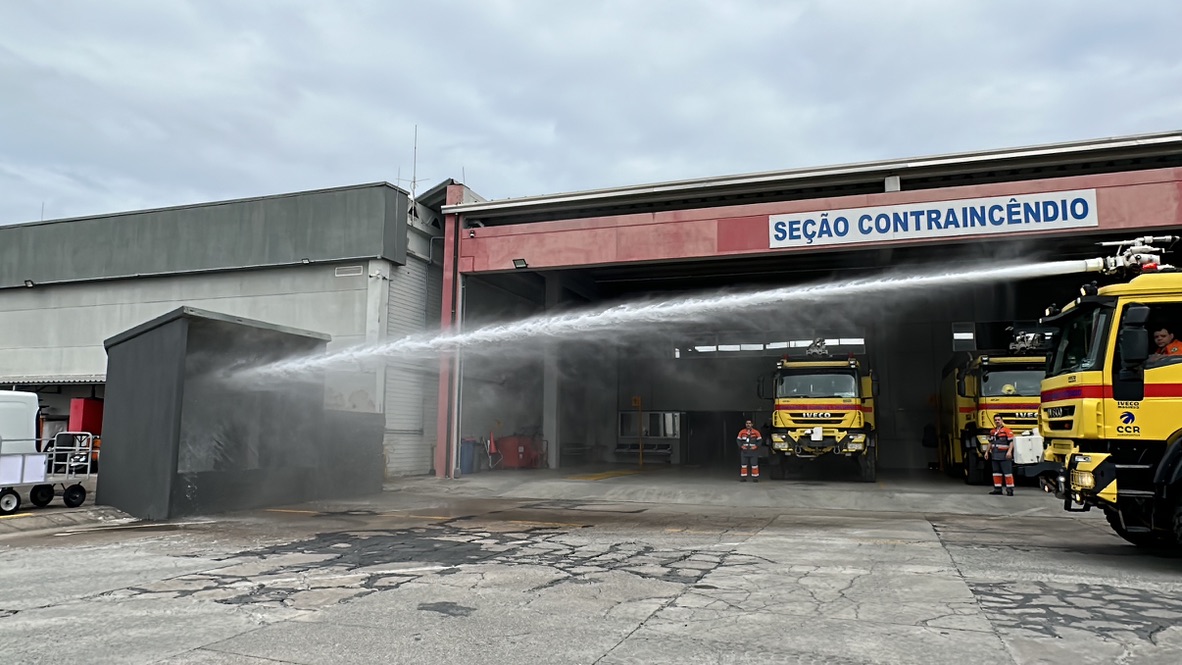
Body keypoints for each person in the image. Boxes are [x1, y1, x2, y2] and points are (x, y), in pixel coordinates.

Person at [987, 414, 1015, 496]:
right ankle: (997, 489)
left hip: (1004, 455)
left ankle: (1009, 489)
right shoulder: (992, 431)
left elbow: (1011, 442)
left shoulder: (1007, 430)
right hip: (995, 455)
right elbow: (990, 442)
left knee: (1007, 473)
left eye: (998, 420)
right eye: (995, 420)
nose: (997, 421)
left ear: (1002, 420)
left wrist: (1009, 452)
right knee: (996, 473)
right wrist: (986, 452)